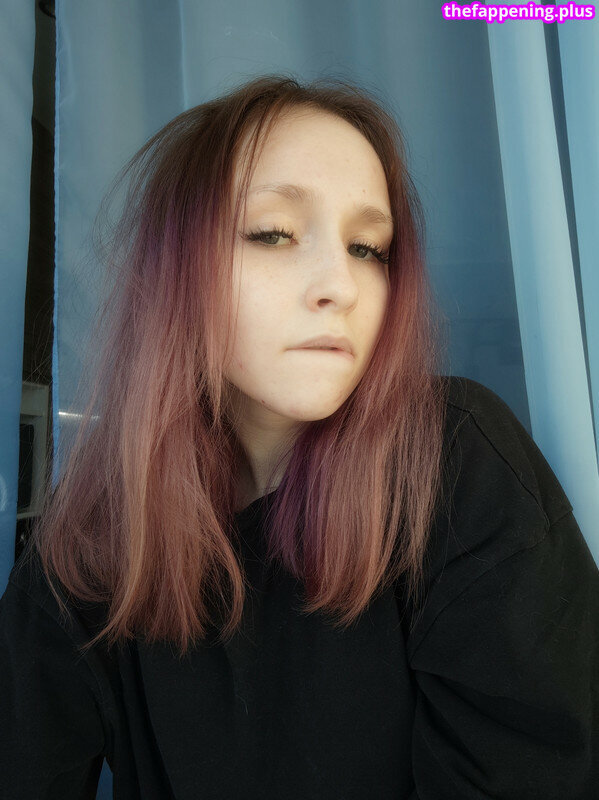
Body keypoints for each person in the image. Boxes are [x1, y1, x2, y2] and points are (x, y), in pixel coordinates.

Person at [0, 74, 597, 800]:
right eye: (273, 233)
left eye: (368, 248)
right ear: (173, 269)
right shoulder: (95, 537)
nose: (340, 286)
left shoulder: (451, 464)